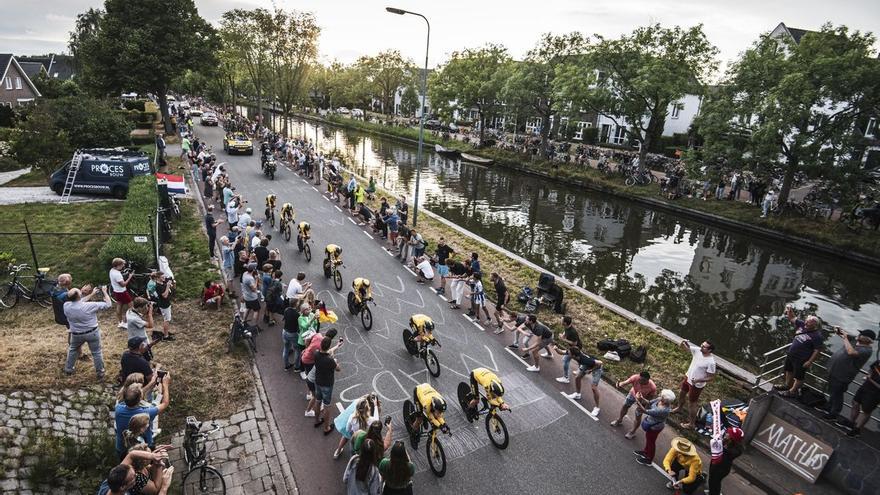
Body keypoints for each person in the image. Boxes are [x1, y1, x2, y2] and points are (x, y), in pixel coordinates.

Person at [822, 328, 874, 420]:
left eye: (861, 335)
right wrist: (839, 331)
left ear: (867, 339)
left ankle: (834, 413)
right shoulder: (855, 340)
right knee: (832, 392)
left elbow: (851, 352)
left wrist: (845, 338)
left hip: (843, 375)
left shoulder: (867, 350)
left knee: (837, 394)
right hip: (834, 371)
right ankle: (828, 407)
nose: (859, 335)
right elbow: (844, 335)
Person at [63, 286, 112, 379]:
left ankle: (69, 369)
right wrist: (105, 292)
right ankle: (100, 372)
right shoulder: (90, 305)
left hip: (76, 334)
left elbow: (80, 301)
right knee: (96, 352)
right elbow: (108, 305)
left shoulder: (66, 305)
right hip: (92, 333)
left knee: (72, 349)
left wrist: (92, 294)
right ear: (79, 295)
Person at [115, 377, 171, 459]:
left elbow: (133, 398)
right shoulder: (146, 413)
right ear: (139, 399)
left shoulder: (118, 408)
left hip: (123, 448)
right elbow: (165, 403)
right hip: (143, 448)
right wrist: (165, 385)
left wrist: (151, 383)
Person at [778, 309, 824, 399]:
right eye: (806, 321)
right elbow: (792, 318)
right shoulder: (802, 324)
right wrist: (789, 310)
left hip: (802, 359)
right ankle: (787, 385)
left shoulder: (817, 336)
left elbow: (817, 350)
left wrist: (810, 361)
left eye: (809, 322)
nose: (806, 323)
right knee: (788, 370)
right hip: (791, 354)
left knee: (799, 376)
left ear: (815, 324)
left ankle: (792, 391)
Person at [674, 339, 717, 429]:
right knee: (682, 393)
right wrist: (682, 342)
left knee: (692, 403)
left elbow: (711, 377)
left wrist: (698, 380)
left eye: (704, 346)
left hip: (696, 385)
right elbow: (684, 348)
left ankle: (691, 424)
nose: (701, 346)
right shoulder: (698, 350)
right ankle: (679, 408)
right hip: (688, 378)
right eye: (702, 344)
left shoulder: (711, 362)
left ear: (709, 350)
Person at [552, 346, 602, 415]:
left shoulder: (585, 360)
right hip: (586, 365)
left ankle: (597, 408)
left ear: (573, 355)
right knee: (577, 378)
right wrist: (556, 349)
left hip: (596, 367)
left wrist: (590, 370)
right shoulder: (574, 354)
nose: (567, 354)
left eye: (569, 353)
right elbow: (561, 352)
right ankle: (578, 394)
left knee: (594, 388)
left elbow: (600, 363)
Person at [96, 450, 173, 495]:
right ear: (122, 487)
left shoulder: (110, 483)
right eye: (133, 477)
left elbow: (131, 455)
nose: (137, 474)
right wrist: (164, 487)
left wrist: (153, 456)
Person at [634, 389, 675, 466]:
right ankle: (646, 452)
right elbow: (649, 402)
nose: (660, 395)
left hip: (655, 426)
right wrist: (642, 398)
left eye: (662, 395)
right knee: (648, 438)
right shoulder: (659, 399)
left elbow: (646, 411)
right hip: (651, 422)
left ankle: (649, 459)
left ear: (665, 399)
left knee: (651, 441)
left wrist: (637, 401)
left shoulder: (663, 410)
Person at [312, 336, 343, 435]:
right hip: (327, 385)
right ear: (328, 346)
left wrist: (337, 346)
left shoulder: (316, 354)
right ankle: (326, 427)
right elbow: (338, 369)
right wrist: (335, 360)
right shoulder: (330, 360)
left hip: (318, 382)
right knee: (326, 406)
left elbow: (326, 352)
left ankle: (316, 421)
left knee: (317, 401)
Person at [612, 371, 657, 439]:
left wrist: (644, 407)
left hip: (643, 400)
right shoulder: (635, 377)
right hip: (633, 394)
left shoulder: (652, 387)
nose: (640, 381)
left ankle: (632, 432)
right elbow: (624, 382)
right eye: (639, 379)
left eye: (642, 380)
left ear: (647, 380)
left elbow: (649, 399)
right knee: (625, 406)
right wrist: (619, 384)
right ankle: (619, 420)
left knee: (638, 415)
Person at [844, 359, 880, 437]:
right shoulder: (878, 361)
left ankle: (857, 429)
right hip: (865, 386)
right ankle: (851, 422)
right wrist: (869, 374)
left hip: (875, 394)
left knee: (866, 411)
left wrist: (870, 380)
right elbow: (871, 369)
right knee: (855, 402)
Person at [708, 425, 744, 495]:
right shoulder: (727, 443)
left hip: (721, 469)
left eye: (728, 434)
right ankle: (712, 492)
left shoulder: (732, 451)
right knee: (712, 479)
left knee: (715, 482)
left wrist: (720, 444)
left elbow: (719, 451)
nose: (726, 433)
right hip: (716, 465)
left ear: (732, 439)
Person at [110, 258, 134, 329]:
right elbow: (123, 284)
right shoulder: (117, 274)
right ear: (118, 265)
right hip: (122, 292)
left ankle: (120, 322)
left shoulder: (112, 270)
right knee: (131, 306)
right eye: (122, 264)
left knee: (119, 305)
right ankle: (126, 322)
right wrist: (130, 277)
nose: (123, 266)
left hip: (116, 291)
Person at [153, 273, 175, 341]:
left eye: (164, 276)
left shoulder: (162, 283)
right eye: (162, 277)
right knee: (167, 320)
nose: (164, 278)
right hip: (164, 305)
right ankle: (166, 336)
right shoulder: (158, 286)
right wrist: (168, 286)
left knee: (167, 319)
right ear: (158, 278)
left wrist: (170, 283)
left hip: (166, 303)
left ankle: (166, 332)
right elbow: (165, 296)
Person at [282, 298, 300, 371]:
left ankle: (286, 365)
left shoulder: (286, 310)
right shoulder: (297, 314)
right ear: (296, 304)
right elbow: (299, 325)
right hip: (293, 333)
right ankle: (296, 367)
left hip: (284, 332)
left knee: (286, 348)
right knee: (297, 350)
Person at [241, 263, 261, 328]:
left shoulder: (245, 274)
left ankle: (243, 321)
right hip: (252, 297)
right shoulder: (250, 279)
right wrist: (257, 280)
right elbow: (254, 289)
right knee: (256, 310)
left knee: (248, 308)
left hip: (246, 296)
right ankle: (255, 325)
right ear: (253, 269)